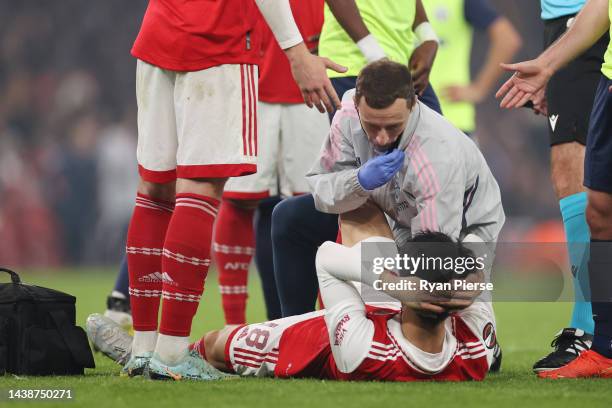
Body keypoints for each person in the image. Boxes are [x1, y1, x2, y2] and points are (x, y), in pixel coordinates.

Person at [124, 0, 346, 381]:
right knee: (200, 187)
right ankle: (173, 354)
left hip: (158, 32)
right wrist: (297, 53)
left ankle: (143, 349)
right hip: (215, 41)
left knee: (155, 191)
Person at [87, 207, 499, 382]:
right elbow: (478, 263)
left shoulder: (364, 351)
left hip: (324, 340)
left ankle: (148, 355)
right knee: (361, 209)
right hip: (391, 314)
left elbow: (326, 257)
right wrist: (466, 286)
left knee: (217, 344)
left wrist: (396, 283)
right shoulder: (475, 351)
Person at [272, 0, 444, 317]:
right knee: (369, 200)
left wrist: (428, 36)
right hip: (357, 68)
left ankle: (441, 316)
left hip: (403, 69)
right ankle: (357, 317)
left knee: (421, 196)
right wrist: (377, 58)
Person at [496, 0, 612, 379]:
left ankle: (590, 328)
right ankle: (594, 330)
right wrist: (549, 61)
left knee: (579, 178)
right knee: (584, 188)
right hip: (569, 23)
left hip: (586, 20)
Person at [214, 0, 329, 326]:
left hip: (315, 67)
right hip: (248, 68)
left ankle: (315, 324)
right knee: (239, 198)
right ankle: (234, 327)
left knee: (315, 203)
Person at [422, 0, 522, 135]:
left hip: (451, 119)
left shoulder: (459, 2)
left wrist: (478, 89)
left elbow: (507, 40)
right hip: (401, 120)